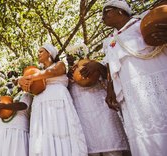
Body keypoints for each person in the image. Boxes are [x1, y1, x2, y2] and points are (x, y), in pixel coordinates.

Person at [82, 0, 167, 155]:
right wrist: (110, 91)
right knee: (141, 136)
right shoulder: (109, 42)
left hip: (157, 86)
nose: (102, 17)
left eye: (106, 11)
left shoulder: (144, 24)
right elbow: (110, 68)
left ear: (120, 11)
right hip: (132, 96)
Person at [19, 43, 88, 156]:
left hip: (57, 100)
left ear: (50, 53)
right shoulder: (36, 71)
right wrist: (21, 82)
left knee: (60, 131)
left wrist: (27, 78)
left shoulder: (59, 65)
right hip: (40, 104)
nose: (38, 54)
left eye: (41, 51)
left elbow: (53, 72)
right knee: (43, 137)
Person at [66, 53, 129, 156]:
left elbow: (110, 75)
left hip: (104, 114)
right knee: (91, 151)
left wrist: (97, 66)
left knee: (113, 149)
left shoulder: (96, 66)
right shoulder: (69, 76)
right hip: (84, 119)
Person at [0, 71, 32, 156]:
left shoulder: (27, 94)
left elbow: (23, 105)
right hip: (5, 129)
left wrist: (3, 106)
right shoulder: (9, 95)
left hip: (18, 129)